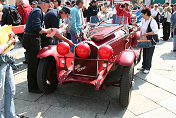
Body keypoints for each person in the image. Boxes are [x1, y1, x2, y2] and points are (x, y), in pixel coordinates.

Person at [22, 0, 52, 93]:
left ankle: (34, 85)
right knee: (33, 64)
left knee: (34, 63)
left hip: (31, 39)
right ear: (44, 4)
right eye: (48, 5)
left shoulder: (37, 11)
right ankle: (33, 87)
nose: (49, 6)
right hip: (31, 39)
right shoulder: (37, 11)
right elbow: (37, 28)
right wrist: (47, 31)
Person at [0, 4, 17, 118]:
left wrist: (9, 35)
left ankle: (10, 115)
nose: (2, 13)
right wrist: (9, 42)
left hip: (6, 61)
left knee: (11, 90)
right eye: (0, 11)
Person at [137, 8, 158, 74]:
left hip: (150, 40)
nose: (141, 15)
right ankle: (143, 66)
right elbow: (141, 27)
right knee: (145, 53)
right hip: (144, 40)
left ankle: (147, 67)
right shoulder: (144, 20)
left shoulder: (152, 21)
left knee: (149, 54)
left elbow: (155, 31)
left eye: (142, 14)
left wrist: (146, 34)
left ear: (146, 14)